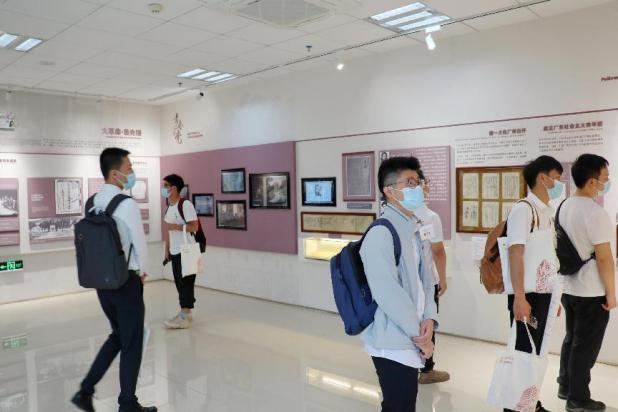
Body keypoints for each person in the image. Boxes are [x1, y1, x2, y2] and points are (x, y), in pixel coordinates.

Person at [71, 148, 156, 412]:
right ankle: (127, 404)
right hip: (126, 282)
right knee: (131, 342)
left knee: (118, 336)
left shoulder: (92, 203)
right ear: (115, 172)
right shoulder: (126, 204)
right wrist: (144, 272)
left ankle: (85, 391)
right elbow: (140, 244)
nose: (132, 173)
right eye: (129, 168)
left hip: (102, 282)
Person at [361, 156, 439, 412]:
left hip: (412, 334)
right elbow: (388, 294)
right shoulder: (380, 233)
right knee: (399, 405)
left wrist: (429, 318)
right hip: (392, 339)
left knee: (405, 404)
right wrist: (421, 336)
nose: (418, 188)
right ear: (390, 191)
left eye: (419, 182)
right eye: (410, 183)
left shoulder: (414, 227)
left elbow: (427, 278)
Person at [557, 154, 616, 412]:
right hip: (592, 289)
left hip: (569, 286)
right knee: (585, 347)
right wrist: (611, 293)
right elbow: (604, 258)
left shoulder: (564, 206)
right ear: (592, 182)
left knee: (572, 339)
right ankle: (578, 398)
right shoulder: (595, 213)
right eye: (605, 178)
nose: (607, 182)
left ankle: (565, 386)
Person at [505, 155, 563, 412]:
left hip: (543, 293)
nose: (558, 184)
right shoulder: (524, 209)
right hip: (526, 294)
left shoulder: (547, 211)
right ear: (542, 177)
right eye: (556, 178)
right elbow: (515, 252)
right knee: (522, 351)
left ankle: (530, 403)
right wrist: (519, 297)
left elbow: (548, 257)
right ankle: (514, 407)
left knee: (536, 351)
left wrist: (554, 297)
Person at [413, 170, 450, 385]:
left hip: (407, 282)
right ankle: (426, 370)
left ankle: (409, 366)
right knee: (427, 323)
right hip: (427, 282)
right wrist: (442, 279)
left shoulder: (394, 214)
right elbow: (438, 252)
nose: (427, 186)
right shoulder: (430, 217)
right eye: (424, 182)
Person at [162, 174, 199, 329]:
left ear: (174, 188)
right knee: (179, 284)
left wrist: (176, 227)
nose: (163, 189)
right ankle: (186, 313)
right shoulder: (169, 206)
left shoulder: (186, 205)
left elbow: (194, 226)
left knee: (186, 284)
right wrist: (166, 249)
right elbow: (168, 230)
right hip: (175, 251)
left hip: (187, 250)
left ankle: (184, 316)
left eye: (166, 186)